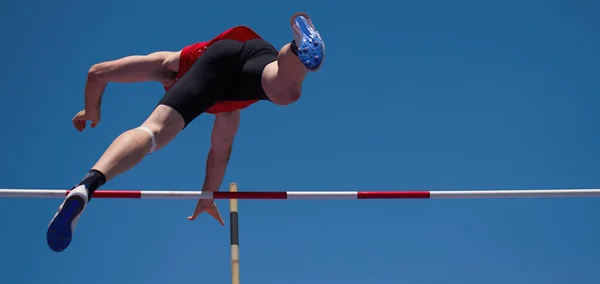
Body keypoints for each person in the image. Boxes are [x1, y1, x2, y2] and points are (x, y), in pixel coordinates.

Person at [46, 12, 325, 252]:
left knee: (152, 132)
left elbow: (98, 72)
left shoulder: (170, 65)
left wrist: (92, 110)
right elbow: (219, 153)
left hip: (222, 55)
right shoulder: (227, 111)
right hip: (256, 55)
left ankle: (87, 184)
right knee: (285, 90)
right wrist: (207, 195)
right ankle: (297, 49)